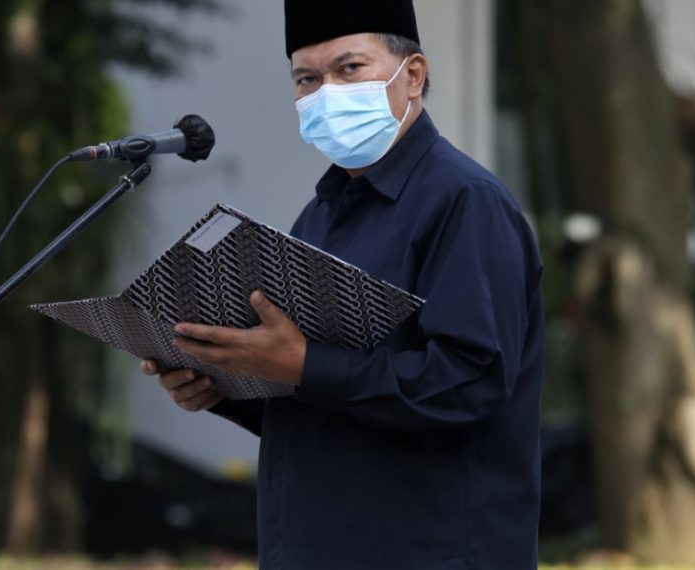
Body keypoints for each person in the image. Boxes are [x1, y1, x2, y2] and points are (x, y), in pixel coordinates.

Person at [140, 1, 544, 568]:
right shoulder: (321, 214)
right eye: (307, 79)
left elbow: (470, 384)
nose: (326, 92)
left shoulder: (465, 202)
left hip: (428, 550)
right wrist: (225, 384)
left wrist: (306, 365)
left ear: (413, 75)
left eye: (349, 68)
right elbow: (328, 397)